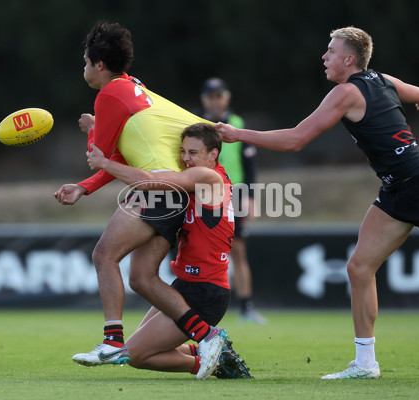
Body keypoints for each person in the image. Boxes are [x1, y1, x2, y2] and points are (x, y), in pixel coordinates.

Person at [217, 26, 419, 379]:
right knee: (358, 268)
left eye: (330, 51)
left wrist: (237, 135)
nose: (324, 57)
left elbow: (296, 140)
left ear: (349, 59)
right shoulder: (382, 80)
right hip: (395, 190)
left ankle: (365, 363)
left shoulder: (345, 93)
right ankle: (365, 364)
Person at [53, 21, 227, 378]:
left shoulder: (109, 95)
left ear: (99, 64)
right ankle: (207, 338)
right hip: (175, 195)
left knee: (104, 254)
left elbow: (99, 155)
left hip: (158, 192)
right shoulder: (133, 87)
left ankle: (113, 341)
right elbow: (115, 158)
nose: (83, 69)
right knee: (142, 277)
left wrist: (92, 131)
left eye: (85, 62)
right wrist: (84, 187)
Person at [86, 123, 251, 379]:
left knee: (137, 355)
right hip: (186, 285)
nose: (185, 159)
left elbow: (151, 181)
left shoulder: (209, 178)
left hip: (205, 291)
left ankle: (212, 361)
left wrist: (105, 162)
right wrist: (100, 125)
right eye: (183, 151)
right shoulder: (204, 176)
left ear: (213, 155)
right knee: (145, 340)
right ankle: (212, 352)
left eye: (193, 153)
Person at [197, 77, 267, 325]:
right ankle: (198, 305)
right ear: (204, 99)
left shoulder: (237, 124)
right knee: (197, 248)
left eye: (219, 96)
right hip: (201, 192)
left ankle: (246, 307)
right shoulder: (194, 123)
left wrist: (249, 197)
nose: (215, 101)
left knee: (238, 250)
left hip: (234, 193)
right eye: (211, 96)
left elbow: (250, 166)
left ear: (226, 98)